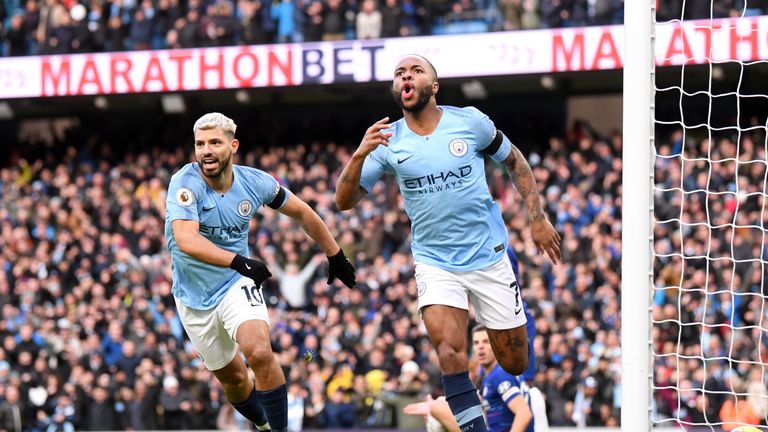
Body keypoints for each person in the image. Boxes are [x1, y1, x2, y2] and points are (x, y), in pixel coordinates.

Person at [335, 54, 560, 432]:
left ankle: (517, 307)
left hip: (487, 256)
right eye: (399, 73)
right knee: (450, 352)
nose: (406, 76)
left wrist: (537, 219)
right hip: (435, 261)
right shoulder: (387, 142)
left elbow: (516, 161)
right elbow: (344, 201)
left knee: (515, 364)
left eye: (416, 70)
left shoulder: (469, 121)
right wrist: (360, 153)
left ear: (434, 86)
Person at [165, 112, 357, 431]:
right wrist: (239, 260)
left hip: (234, 284)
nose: (206, 151)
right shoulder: (184, 183)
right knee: (235, 380)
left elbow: (302, 213)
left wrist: (334, 253)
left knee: (258, 351)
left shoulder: (255, 182)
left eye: (215, 142)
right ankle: (262, 425)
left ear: (233, 145)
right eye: (200, 144)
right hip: (193, 298)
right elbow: (186, 240)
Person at [473, 325, 534, 432]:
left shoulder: (500, 375)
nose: (480, 347)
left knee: (440, 405)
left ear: (497, 346)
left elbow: (524, 413)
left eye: (486, 342)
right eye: (476, 343)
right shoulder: (489, 374)